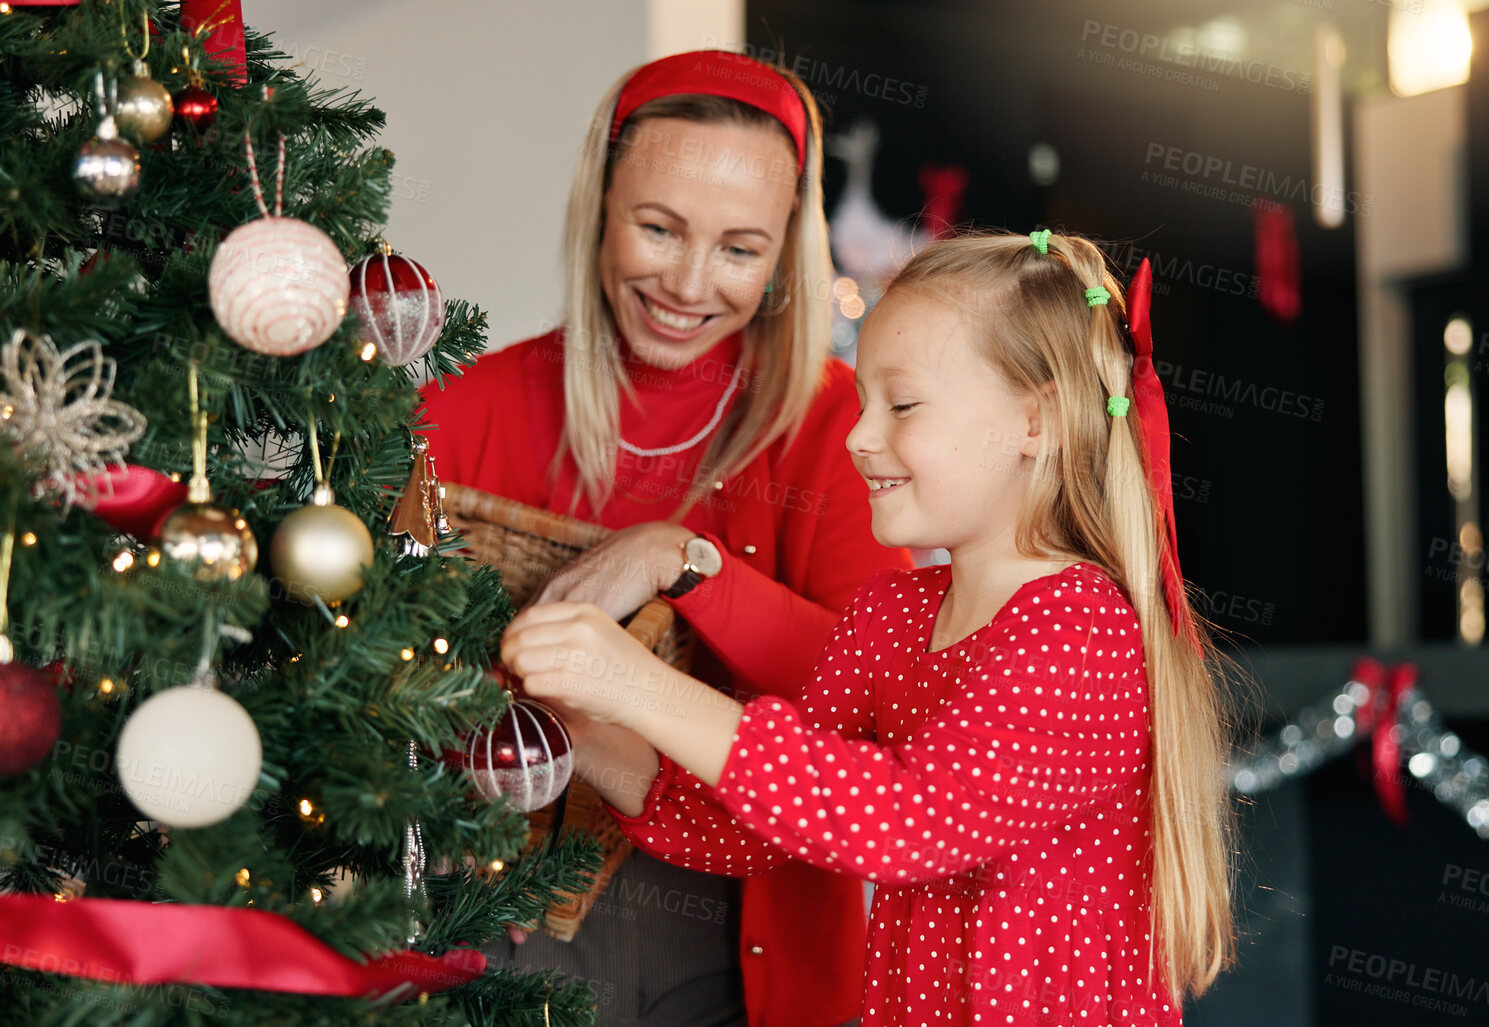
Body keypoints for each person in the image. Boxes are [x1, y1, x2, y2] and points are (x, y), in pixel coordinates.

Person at [502, 229, 1240, 1025]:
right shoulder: (893, 616)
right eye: (862, 403)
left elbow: (901, 821)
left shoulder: (1081, 635)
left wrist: (634, 682)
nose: (857, 436)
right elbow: (748, 821)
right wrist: (572, 720)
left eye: (903, 403)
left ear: (1038, 419)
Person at [417, 49, 907, 1027]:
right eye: (658, 228)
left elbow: (880, 685)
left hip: (746, 917)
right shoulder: (466, 405)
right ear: (601, 202)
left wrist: (681, 559)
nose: (689, 283)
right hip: (505, 913)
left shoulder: (834, 423)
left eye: (739, 248)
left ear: (784, 254)